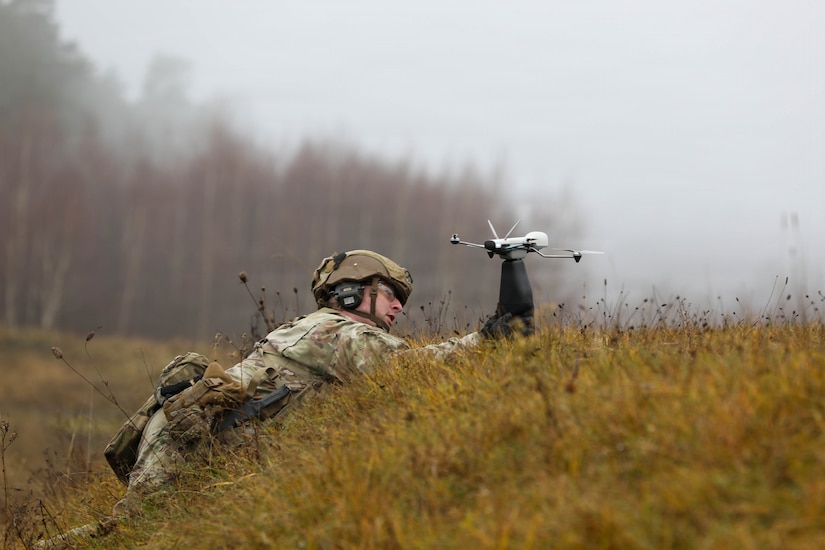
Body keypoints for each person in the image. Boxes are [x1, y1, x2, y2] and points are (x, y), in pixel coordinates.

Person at [110, 249, 521, 517]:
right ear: (350, 294)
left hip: (205, 465)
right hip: (195, 464)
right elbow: (403, 370)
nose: (399, 305)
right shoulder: (330, 331)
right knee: (125, 531)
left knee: (124, 530)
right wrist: (486, 341)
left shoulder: (313, 331)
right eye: (391, 293)